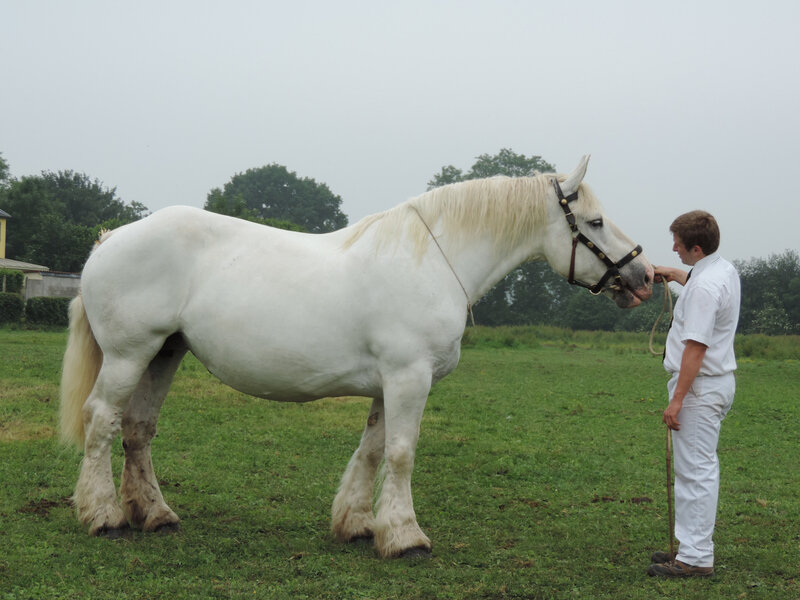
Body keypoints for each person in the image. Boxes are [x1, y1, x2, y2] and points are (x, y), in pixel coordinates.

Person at [647, 210, 741, 578]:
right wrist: (672, 274)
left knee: (696, 473)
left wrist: (677, 399)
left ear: (696, 247)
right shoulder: (722, 271)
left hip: (699, 387)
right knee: (695, 470)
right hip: (715, 383)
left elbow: (696, 348)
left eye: (679, 245)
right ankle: (689, 547)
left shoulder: (703, 287)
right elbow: (698, 284)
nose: (674, 249)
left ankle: (697, 558)